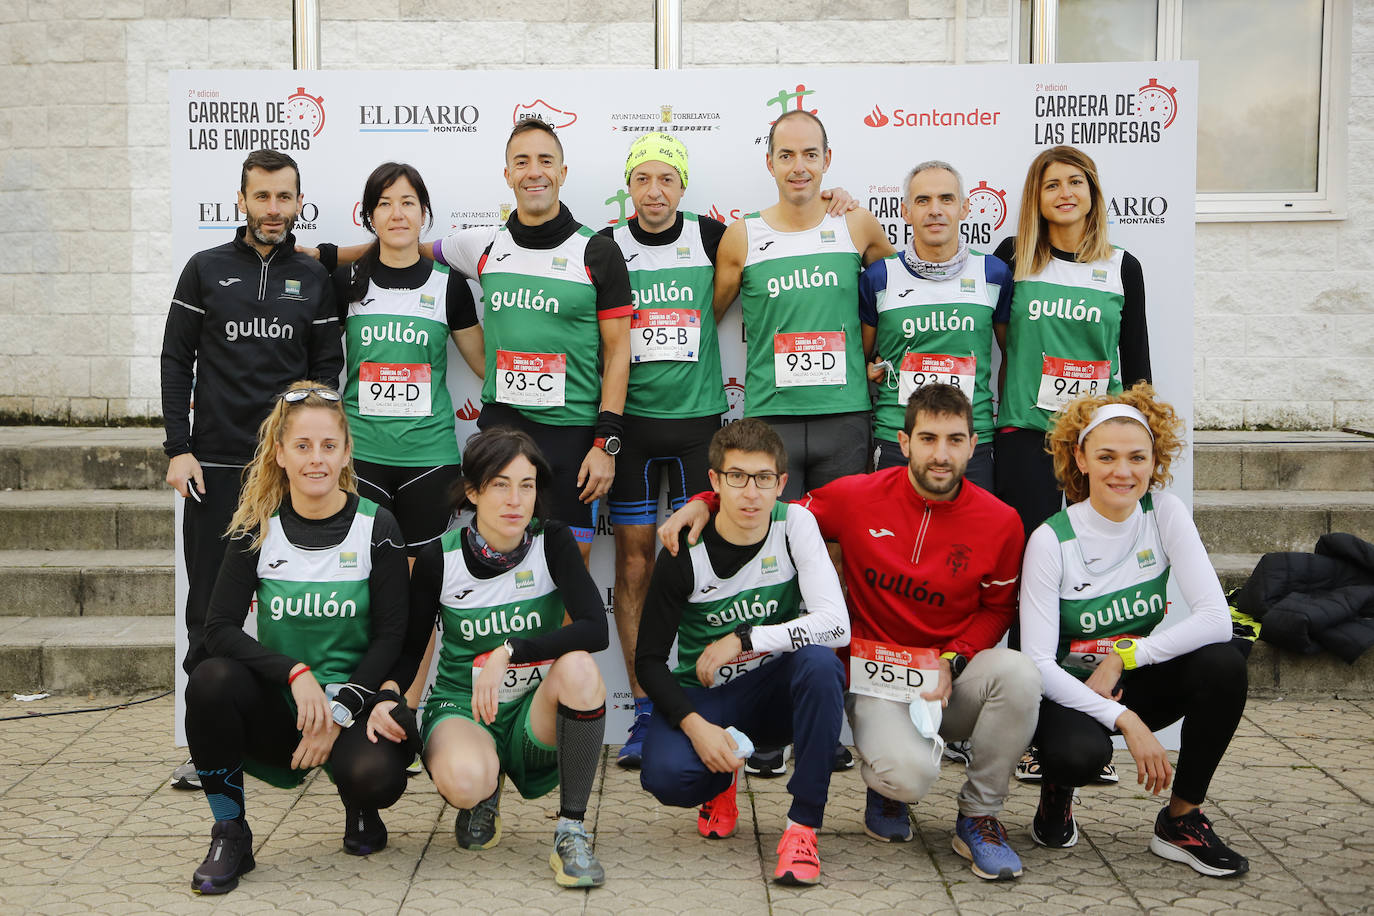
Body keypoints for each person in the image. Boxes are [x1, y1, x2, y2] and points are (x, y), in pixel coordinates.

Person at [659, 385, 1037, 881]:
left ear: (972, 444)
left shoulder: (1002, 521)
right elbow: (768, 501)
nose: (940, 454)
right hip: (874, 674)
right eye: (927, 438)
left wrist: (954, 660)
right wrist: (707, 500)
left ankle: (979, 817)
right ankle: (885, 792)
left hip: (946, 676)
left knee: (1021, 675)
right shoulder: (857, 496)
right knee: (908, 779)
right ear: (903, 442)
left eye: (954, 439)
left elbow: (995, 610)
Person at [599, 132, 857, 769]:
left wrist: (835, 203)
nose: (654, 191)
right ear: (627, 187)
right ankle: (644, 710)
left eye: (667, 179)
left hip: (697, 424)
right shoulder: (603, 247)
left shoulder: (718, 237)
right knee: (634, 564)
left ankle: (747, 699)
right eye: (642, 180)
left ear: (683, 187)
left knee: (725, 559)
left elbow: (779, 239)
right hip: (633, 424)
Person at [183, 382, 418, 895]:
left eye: (328, 446)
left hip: (352, 704)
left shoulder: (377, 525)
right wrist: (294, 672)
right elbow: (218, 628)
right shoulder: (257, 528)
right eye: (303, 447)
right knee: (209, 680)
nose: (317, 460)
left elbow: (392, 635)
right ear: (280, 453)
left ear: (346, 452)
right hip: (285, 702)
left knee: (377, 777)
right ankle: (231, 830)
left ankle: (359, 803)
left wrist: (339, 710)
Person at [163, 149, 344, 790]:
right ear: (241, 200)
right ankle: (205, 744)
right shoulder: (204, 269)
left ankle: (308, 728)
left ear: (300, 203)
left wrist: (313, 454)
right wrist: (177, 447)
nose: (273, 209)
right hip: (214, 466)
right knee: (209, 611)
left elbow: (326, 372)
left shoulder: (313, 277)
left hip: (291, 472)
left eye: (284, 198)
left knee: (302, 604)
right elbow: (175, 359)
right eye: (261, 197)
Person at [1018, 383, 1249, 878]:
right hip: (1069, 690)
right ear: (1080, 459)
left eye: (1136, 458)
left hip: (1130, 673)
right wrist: (1125, 720)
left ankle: (1181, 821)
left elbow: (1215, 618)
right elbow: (1038, 663)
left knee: (1224, 662)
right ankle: (1057, 792)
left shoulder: (1164, 513)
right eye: (1106, 456)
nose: (1122, 472)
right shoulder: (1050, 540)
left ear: (1153, 461)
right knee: (1078, 754)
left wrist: (1126, 656)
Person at [636, 419, 850, 887]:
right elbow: (648, 661)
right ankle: (722, 778)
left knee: (820, 664)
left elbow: (836, 625)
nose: (751, 492)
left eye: (763, 478)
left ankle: (802, 828)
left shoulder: (795, 523)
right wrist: (698, 729)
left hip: (775, 692)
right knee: (667, 779)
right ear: (714, 481)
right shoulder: (684, 547)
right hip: (711, 699)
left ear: (781, 484)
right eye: (737, 477)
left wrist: (747, 638)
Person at [399, 427, 610, 888]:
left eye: (527, 485)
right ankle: (484, 793)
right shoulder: (440, 557)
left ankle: (571, 829)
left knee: (579, 666)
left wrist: (510, 651)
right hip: (463, 706)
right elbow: (412, 648)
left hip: (532, 714)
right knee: (466, 780)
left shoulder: (551, 541)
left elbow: (596, 628)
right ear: (473, 491)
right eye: (500, 484)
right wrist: (399, 711)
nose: (515, 499)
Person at [431, 120, 632, 562]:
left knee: (568, 569)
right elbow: (404, 246)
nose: (534, 171)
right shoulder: (484, 244)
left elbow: (619, 354)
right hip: (502, 430)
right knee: (498, 560)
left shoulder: (597, 251)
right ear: (507, 175)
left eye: (545, 161)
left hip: (573, 440)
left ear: (562, 172)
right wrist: (327, 255)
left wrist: (606, 445)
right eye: (522, 162)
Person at [332, 162, 485, 711]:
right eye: (385, 203)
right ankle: (354, 703)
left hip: (429, 458)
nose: (397, 214)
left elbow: (487, 367)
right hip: (360, 458)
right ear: (369, 214)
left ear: (425, 212)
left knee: (420, 594)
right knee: (363, 589)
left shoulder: (450, 287)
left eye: (408, 202)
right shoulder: (347, 281)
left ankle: (405, 711)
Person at [712, 110, 894, 503]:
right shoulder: (742, 236)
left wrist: (880, 358)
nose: (799, 167)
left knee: (837, 546)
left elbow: (899, 299)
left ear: (827, 160)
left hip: (845, 416)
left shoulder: (857, 223)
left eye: (810, 155)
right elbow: (708, 320)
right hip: (771, 420)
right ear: (770, 163)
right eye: (787, 155)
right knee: (773, 543)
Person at [993, 145, 1151, 541]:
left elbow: (1136, 362)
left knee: (1096, 548)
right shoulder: (1014, 256)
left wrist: (1138, 441)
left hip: (1098, 434)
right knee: (1027, 549)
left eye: (1075, 182)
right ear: (1037, 197)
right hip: (1027, 431)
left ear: (1092, 192)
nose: (1065, 193)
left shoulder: (1122, 267)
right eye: (1052, 185)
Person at [862, 161, 1010, 489]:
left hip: (971, 439)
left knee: (969, 541)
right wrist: (868, 368)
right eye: (922, 200)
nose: (935, 210)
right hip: (898, 438)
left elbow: (1012, 357)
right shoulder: (879, 277)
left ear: (964, 208)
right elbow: (860, 358)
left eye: (946, 199)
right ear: (905, 211)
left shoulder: (994, 273)